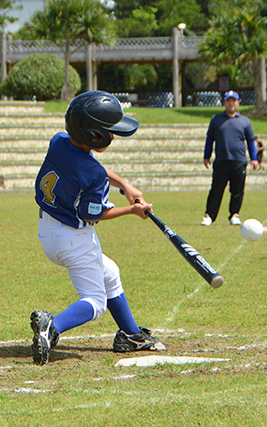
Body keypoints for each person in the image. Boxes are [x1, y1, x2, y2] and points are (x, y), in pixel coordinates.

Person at [31, 91, 166, 365]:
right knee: (95, 302)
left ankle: (131, 334)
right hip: (74, 238)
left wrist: (125, 185)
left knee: (110, 273)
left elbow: (94, 169)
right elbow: (93, 213)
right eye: (108, 132)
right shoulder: (92, 175)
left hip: (48, 232)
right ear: (95, 135)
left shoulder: (58, 142)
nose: (112, 136)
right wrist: (132, 210)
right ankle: (52, 326)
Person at [201, 90, 259, 227]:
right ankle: (209, 215)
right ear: (224, 103)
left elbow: (250, 141)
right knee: (216, 190)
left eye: (234, 101)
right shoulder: (216, 119)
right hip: (221, 160)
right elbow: (210, 139)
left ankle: (234, 214)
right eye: (228, 101)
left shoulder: (245, 121)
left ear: (238, 103)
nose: (231, 103)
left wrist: (254, 158)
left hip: (239, 161)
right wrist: (206, 156)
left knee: (237, 190)